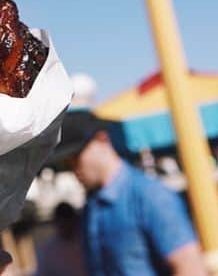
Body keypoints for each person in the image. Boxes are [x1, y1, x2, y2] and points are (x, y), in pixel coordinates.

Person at [51, 111, 206, 276]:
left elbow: (190, 266)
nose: (73, 169)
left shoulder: (150, 195)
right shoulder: (92, 206)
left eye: (75, 157)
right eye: (67, 163)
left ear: (102, 139)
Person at [35, 202, 89, 276]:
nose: (66, 226)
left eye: (68, 221)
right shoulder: (47, 250)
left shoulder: (86, 243)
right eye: (62, 222)